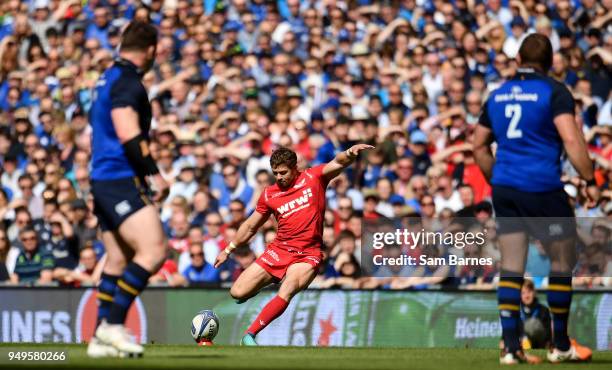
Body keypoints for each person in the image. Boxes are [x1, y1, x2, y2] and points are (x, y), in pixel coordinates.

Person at [473, 34, 598, 365]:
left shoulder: (497, 95)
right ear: (550, 61)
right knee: (561, 261)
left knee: (512, 266)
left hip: (506, 189)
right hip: (542, 188)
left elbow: (478, 145)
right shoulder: (554, 92)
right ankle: (559, 344)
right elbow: (571, 138)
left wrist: (496, 179)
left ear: (517, 61)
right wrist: (590, 179)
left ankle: (511, 349)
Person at [214, 144, 373, 345]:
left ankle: (250, 334)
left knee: (287, 289)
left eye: (283, 172)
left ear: (294, 167)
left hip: (308, 254)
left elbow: (338, 162)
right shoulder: (269, 194)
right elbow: (250, 226)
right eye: (275, 173)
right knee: (237, 292)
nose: (279, 177)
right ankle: (271, 278)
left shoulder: (313, 177)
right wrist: (228, 250)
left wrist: (350, 153)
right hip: (279, 250)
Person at [86, 21, 169, 358]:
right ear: (150, 50)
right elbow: (126, 129)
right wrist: (155, 174)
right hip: (118, 177)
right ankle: (113, 325)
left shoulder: (107, 76)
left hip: (101, 177)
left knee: (118, 258)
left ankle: (98, 339)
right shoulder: (127, 81)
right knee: (153, 250)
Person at [519, 280, 552, 350]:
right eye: (523, 293)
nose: (526, 296)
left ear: (534, 293)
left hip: (539, 345)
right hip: (520, 344)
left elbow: (548, 334)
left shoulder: (544, 310)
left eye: (529, 292)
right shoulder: (516, 311)